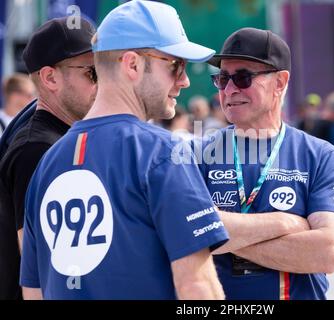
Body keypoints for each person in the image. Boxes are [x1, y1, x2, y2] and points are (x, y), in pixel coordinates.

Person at [20, 0, 228, 300]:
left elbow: (34, 291)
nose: (183, 81)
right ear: (132, 64)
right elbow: (198, 289)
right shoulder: (163, 152)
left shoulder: (48, 162)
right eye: (175, 65)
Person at [197, 27, 334, 300]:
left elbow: (326, 253)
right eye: (223, 79)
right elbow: (187, 232)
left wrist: (220, 237)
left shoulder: (319, 154)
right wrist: (285, 223)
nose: (230, 89)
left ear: (280, 82)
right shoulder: (197, 153)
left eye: (243, 78)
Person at [0, 16, 97, 300]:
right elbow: (42, 271)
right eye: (93, 73)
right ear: (50, 78)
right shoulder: (38, 148)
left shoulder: (59, 138)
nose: (104, 83)